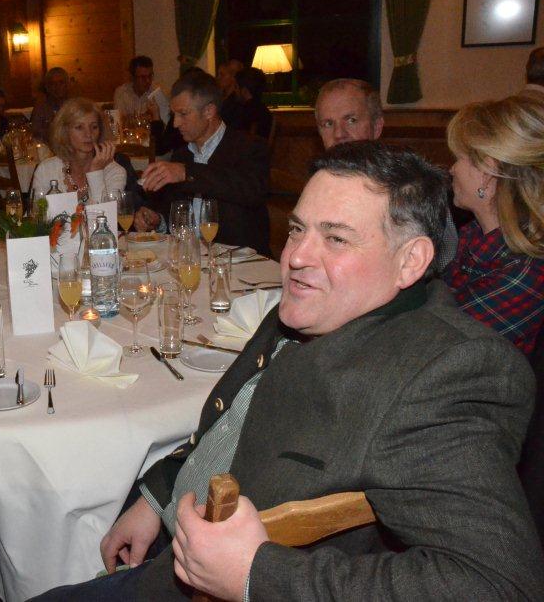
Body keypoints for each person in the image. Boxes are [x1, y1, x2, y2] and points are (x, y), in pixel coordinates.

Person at [33, 142, 544, 601]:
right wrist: (156, 500)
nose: (295, 255)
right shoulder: (322, 303)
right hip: (173, 546)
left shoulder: (445, 372)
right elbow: (232, 422)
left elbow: (499, 583)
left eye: (335, 238)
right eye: (298, 229)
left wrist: (256, 575)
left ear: (411, 261)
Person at [314, 78, 459, 269]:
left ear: (377, 127)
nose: (339, 134)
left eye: (351, 120)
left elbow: (444, 264)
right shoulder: (318, 188)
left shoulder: (410, 188)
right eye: (328, 123)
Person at [442, 93, 544, 355]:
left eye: (459, 158)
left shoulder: (528, 269)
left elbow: (437, 340)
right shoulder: (472, 236)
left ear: (487, 173)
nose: (452, 169)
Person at [135, 70, 271, 255]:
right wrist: (158, 220)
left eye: (183, 114)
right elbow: (172, 210)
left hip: (241, 261)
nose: (175, 123)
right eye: (174, 114)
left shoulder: (249, 147)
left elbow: (251, 191)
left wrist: (187, 173)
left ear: (209, 111)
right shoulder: (182, 155)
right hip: (193, 259)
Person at [30, 97, 127, 204]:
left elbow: (105, 213)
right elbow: (35, 212)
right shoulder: (46, 170)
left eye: (94, 127)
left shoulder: (115, 172)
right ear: (65, 131)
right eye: (79, 127)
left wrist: (96, 172)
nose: (88, 134)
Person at [113, 55, 170, 130]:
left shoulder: (158, 92)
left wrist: (132, 119)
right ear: (132, 77)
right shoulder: (121, 93)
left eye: (150, 76)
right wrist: (145, 117)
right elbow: (118, 123)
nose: (148, 81)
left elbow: (167, 123)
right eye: (143, 77)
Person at [220, 66, 272, 140]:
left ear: (244, 91)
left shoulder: (242, 112)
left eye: (236, 87)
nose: (234, 91)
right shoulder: (265, 111)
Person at [31, 67, 71, 141]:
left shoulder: (74, 107)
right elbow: (35, 133)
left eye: (61, 82)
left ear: (67, 85)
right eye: (53, 83)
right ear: (47, 87)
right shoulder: (40, 108)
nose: (57, 87)